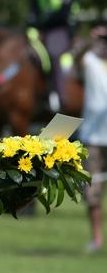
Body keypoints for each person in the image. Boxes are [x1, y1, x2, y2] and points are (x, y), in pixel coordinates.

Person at [27, 0, 82, 111]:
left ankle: (60, 97)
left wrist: (43, 23)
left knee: (54, 52)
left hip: (62, 29)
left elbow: (66, 12)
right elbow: (34, 8)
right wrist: (32, 24)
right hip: (42, 29)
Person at [78, 22, 107, 253]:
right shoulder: (89, 60)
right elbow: (73, 55)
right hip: (93, 139)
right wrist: (91, 38)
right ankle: (97, 240)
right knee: (93, 192)